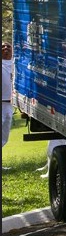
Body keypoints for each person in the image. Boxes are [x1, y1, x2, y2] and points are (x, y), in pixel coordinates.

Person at [2, 41, 13, 171]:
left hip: (9, 105)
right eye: (2, 46)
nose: (5, 48)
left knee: (4, 137)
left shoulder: (15, 64)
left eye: (8, 46)